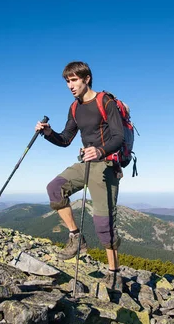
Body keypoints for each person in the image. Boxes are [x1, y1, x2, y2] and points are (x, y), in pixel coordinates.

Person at [35, 61, 124, 290]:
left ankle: (114, 272)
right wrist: (48, 133)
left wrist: (100, 150)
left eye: (74, 80)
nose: (70, 85)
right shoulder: (75, 108)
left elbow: (118, 137)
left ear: (87, 79)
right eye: (67, 81)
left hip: (105, 166)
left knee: (104, 223)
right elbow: (66, 139)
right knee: (55, 188)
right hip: (84, 163)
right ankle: (76, 238)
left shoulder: (106, 102)